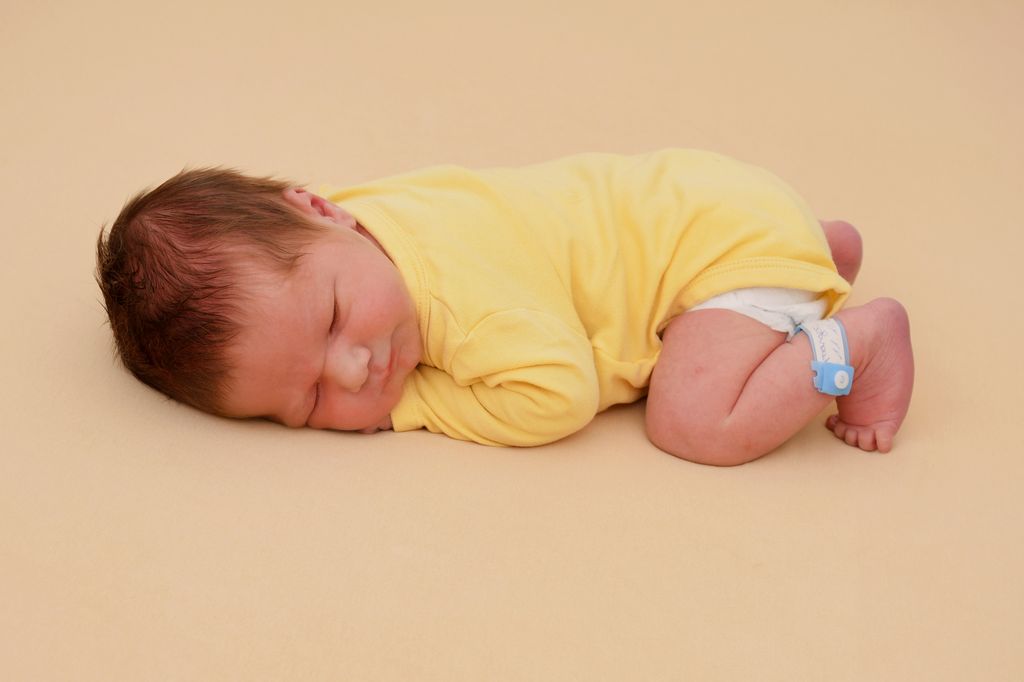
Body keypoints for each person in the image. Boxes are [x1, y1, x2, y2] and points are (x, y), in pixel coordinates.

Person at [95, 149, 913, 466]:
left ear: (321, 209)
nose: (355, 369)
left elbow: (560, 395)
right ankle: (812, 254)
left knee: (696, 422)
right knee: (689, 265)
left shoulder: (464, 310)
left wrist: (414, 406)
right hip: (711, 193)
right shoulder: (346, 222)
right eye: (310, 398)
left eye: (336, 320)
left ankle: (855, 340)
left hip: (715, 246)